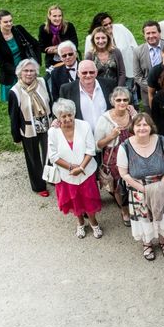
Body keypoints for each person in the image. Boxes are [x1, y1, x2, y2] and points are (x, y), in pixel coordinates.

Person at [118, 113, 164, 261]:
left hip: (162, 185)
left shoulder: (162, 141)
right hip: (139, 190)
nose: (142, 128)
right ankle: (147, 243)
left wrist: (161, 184)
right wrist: (144, 189)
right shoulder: (124, 146)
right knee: (144, 218)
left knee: (162, 215)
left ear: (151, 127)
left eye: (145, 124)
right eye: (138, 125)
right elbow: (124, 174)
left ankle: (163, 240)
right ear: (133, 127)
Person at [47, 99, 102, 239]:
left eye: (70, 114)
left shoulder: (84, 126)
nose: (67, 118)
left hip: (86, 171)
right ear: (57, 118)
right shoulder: (53, 132)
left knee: (89, 199)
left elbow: (91, 150)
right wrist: (72, 167)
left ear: (74, 113)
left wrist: (81, 167)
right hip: (67, 174)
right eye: (63, 116)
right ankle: (80, 223)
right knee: (74, 201)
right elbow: (53, 156)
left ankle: (94, 223)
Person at [8, 59, 51, 197]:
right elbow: (13, 116)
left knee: (50, 153)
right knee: (33, 158)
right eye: (26, 71)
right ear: (20, 73)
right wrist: (16, 136)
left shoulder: (42, 82)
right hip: (29, 129)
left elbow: (50, 100)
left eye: (32, 70)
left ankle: (51, 176)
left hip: (47, 125)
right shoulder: (15, 91)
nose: (29, 73)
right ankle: (39, 186)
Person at [95, 86, 136, 225]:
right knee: (118, 186)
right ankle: (124, 210)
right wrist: (111, 136)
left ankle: (135, 206)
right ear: (112, 101)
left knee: (134, 182)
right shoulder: (104, 119)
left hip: (133, 156)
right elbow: (98, 145)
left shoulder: (132, 115)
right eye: (118, 100)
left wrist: (136, 115)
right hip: (114, 157)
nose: (122, 103)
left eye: (125, 100)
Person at [0, 9, 41, 102]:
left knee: (32, 102)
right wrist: (19, 73)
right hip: (10, 75)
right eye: (6, 22)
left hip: (27, 72)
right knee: (15, 105)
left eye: (10, 21)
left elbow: (35, 44)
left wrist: (37, 64)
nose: (9, 24)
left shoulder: (19, 30)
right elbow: (2, 64)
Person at [84, 13, 137, 93]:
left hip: (127, 71)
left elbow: (134, 45)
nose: (109, 26)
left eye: (110, 23)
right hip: (100, 86)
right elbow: (87, 64)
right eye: (105, 25)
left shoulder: (121, 29)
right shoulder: (90, 40)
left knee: (129, 96)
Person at [59, 60, 116, 132]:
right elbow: (61, 111)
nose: (88, 75)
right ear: (78, 73)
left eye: (91, 72)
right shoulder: (67, 89)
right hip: (82, 135)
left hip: (108, 134)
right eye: (84, 73)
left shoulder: (110, 84)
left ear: (96, 73)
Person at [133, 21, 164, 112]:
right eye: (148, 33)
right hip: (147, 95)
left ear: (159, 33)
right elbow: (137, 76)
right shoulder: (138, 51)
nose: (151, 36)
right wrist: (151, 88)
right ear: (144, 35)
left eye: (154, 32)